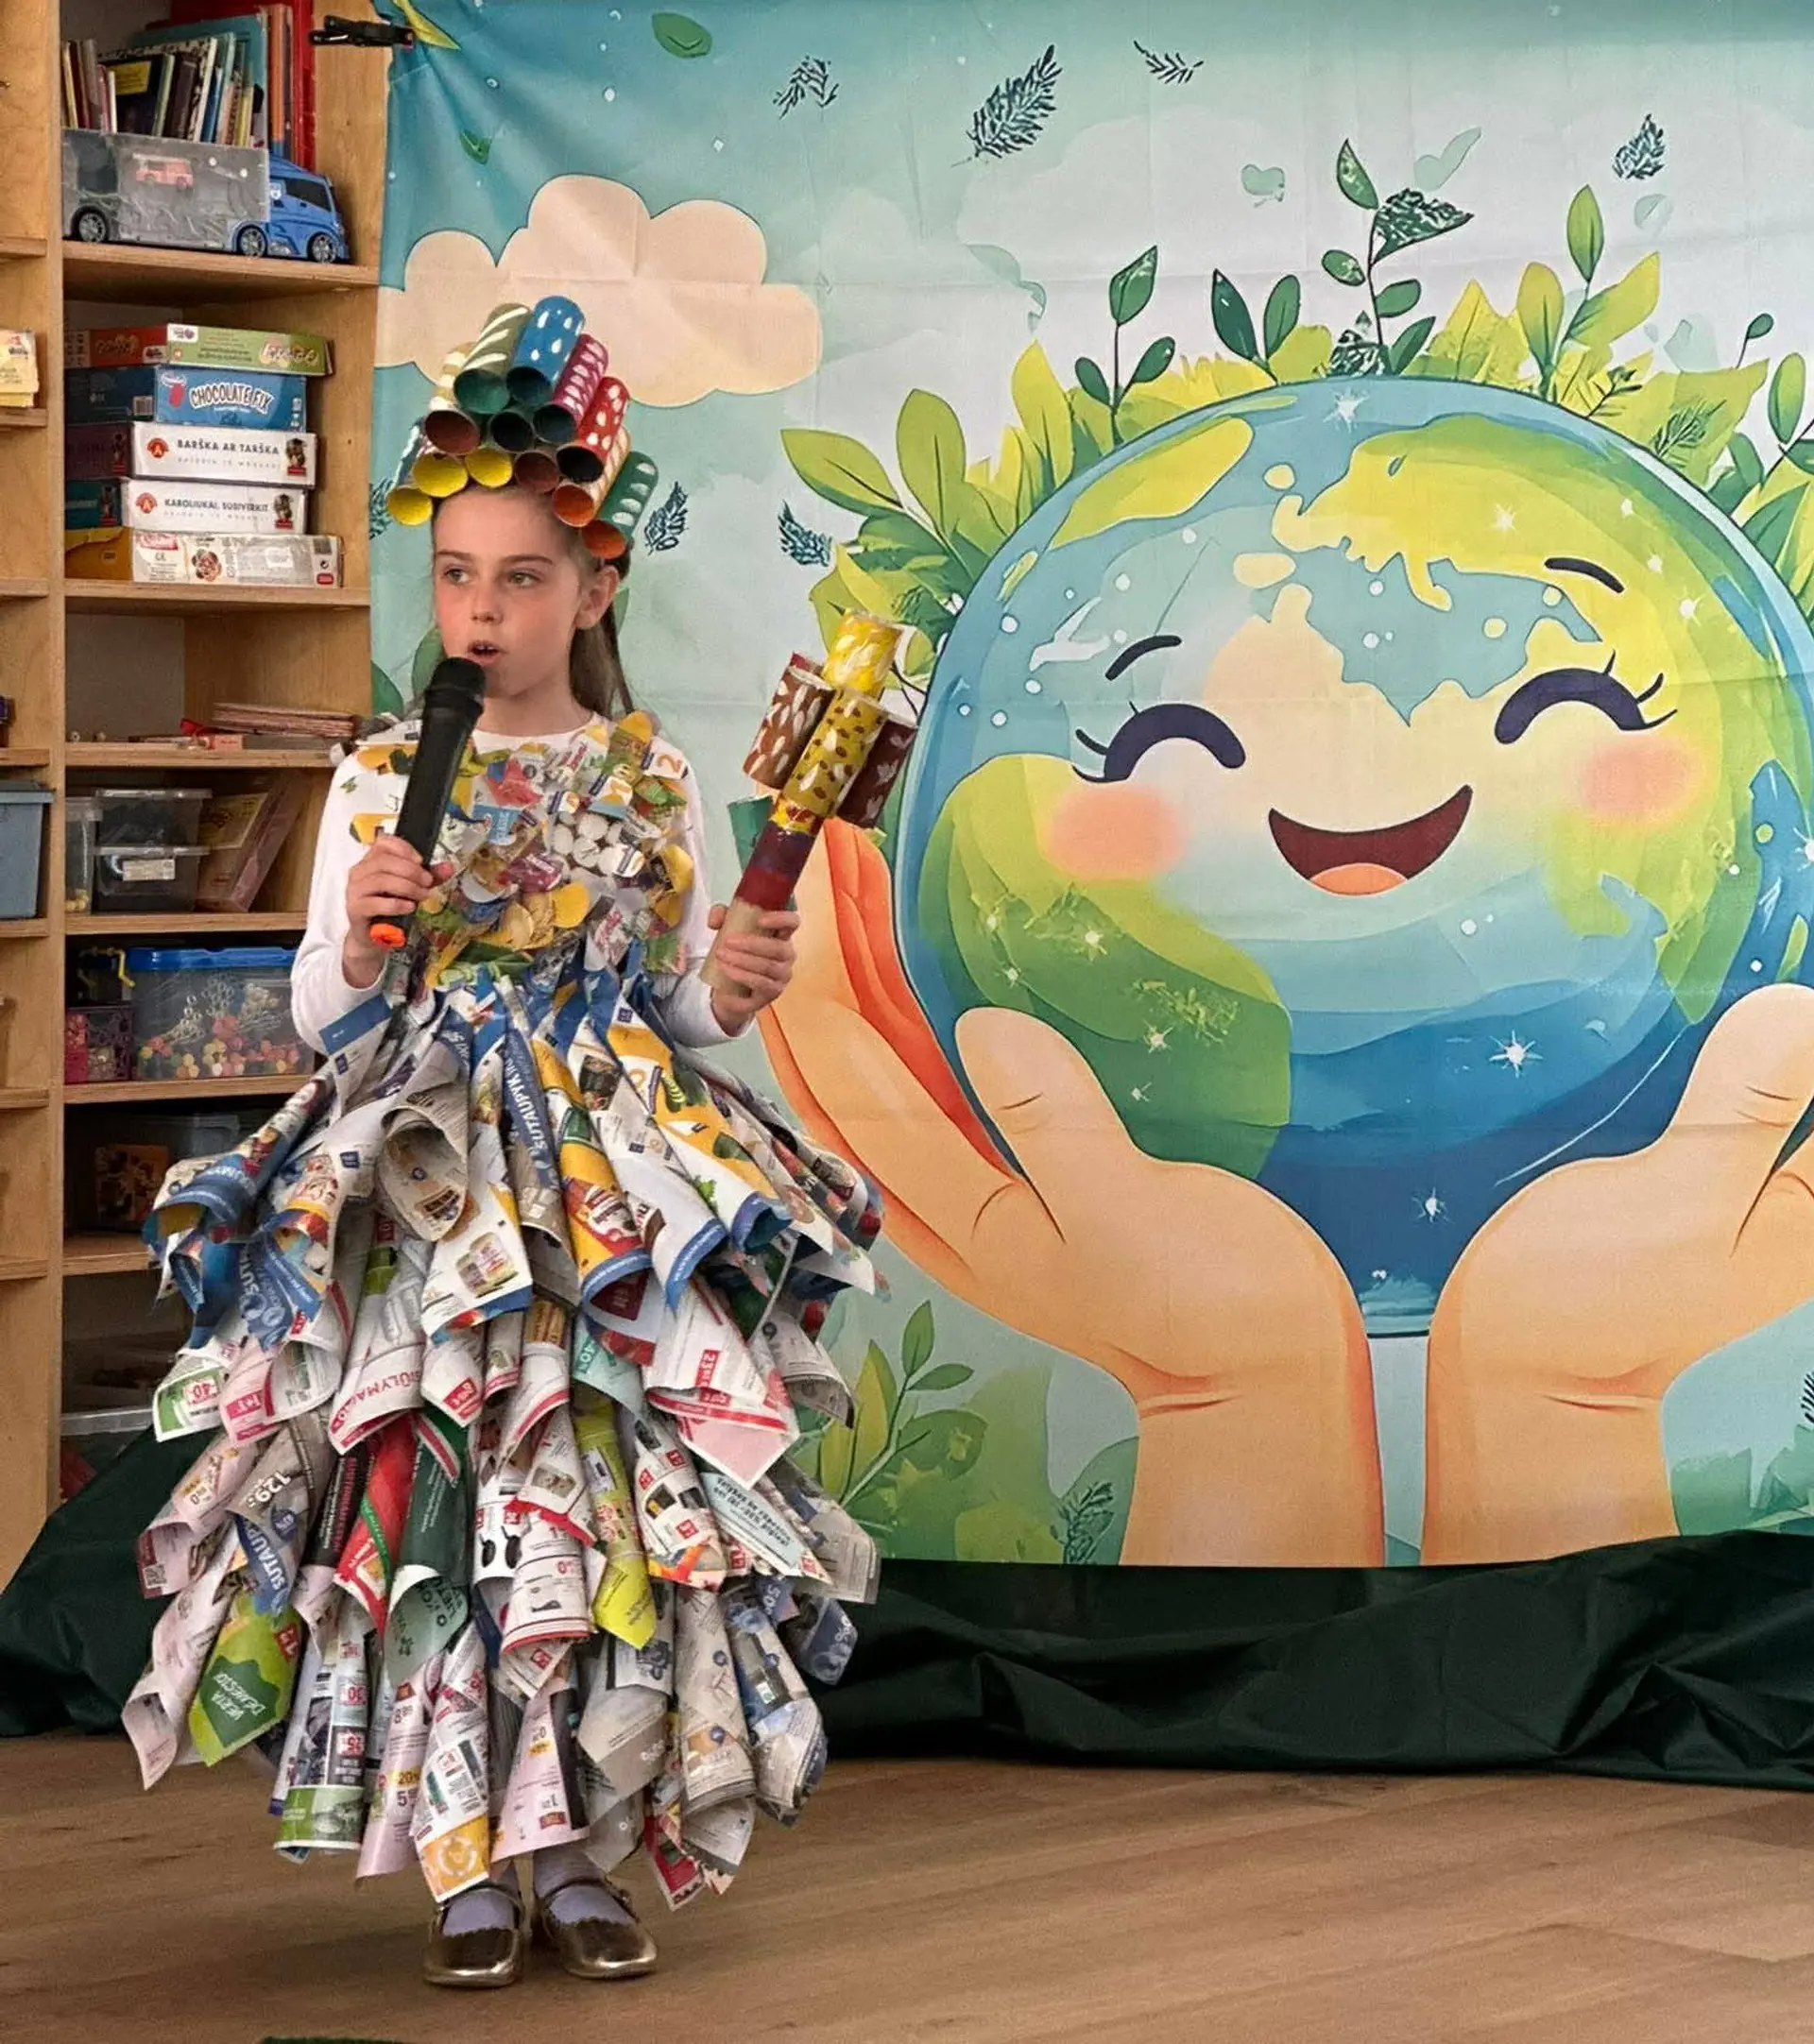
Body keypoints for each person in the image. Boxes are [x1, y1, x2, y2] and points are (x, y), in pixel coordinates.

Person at [122, 476, 883, 1991]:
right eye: (458, 575)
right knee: (442, 1499)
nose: (482, 610)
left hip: (601, 1189)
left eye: (523, 578)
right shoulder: (378, 776)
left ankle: (573, 1854)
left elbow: (677, 1002)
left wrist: (734, 984)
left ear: (593, 591)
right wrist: (360, 939)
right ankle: (465, 1864)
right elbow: (324, 1018)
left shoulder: (650, 776)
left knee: (586, 1503)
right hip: (429, 1184)